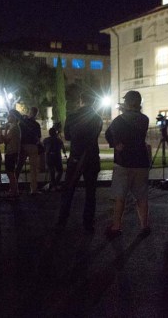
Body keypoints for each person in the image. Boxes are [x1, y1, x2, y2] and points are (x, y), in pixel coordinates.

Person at [104, 90, 151, 239]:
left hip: (123, 162)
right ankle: (144, 226)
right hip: (141, 162)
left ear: (127, 102)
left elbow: (108, 133)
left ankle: (116, 226)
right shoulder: (145, 119)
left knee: (120, 197)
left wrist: (115, 143)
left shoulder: (119, 120)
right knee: (141, 196)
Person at [57, 93, 103, 232]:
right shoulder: (97, 118)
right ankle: (88, 223)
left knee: (69, 190)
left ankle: (62, 220)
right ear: (94, 102)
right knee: (91, 192)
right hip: (92, 157)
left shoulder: (72, 116)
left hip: (76, 157)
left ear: (81, 100)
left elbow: (68, 136)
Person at [16, 106, 43, 195]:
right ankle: (33, 189)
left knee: (19, 166)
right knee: (34, 169)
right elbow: (38, 138)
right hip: (33, 146)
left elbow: (19, 135)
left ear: (29, 112)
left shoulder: (22, 123)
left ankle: (13, 187)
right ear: (36, 114)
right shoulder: (36, 125)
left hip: (23, 146)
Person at [3, 110, 22, 199]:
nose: (7, 117)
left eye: (9, 116)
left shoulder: (14, 128)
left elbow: (6, 140)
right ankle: (15, 190)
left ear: (13, 117)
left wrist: (6, 129)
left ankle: (13, 192)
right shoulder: (16, 127)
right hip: (14, 151)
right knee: (12, 172)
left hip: (11, 152)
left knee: (10, 173)